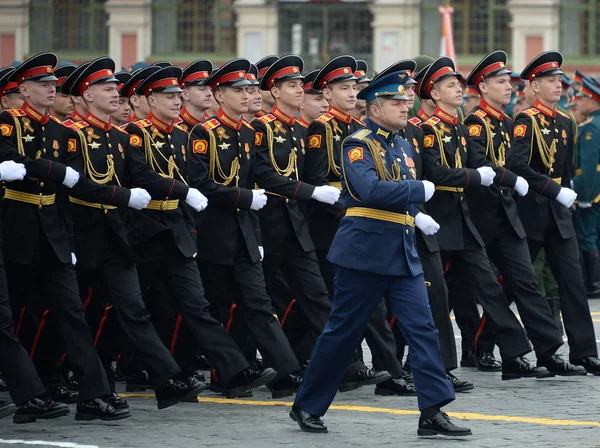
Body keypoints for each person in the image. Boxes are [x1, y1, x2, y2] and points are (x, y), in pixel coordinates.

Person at [290, 71, 471, 437]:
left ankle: (433, 410)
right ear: (374, 108)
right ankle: (307, 405)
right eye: (396, 102)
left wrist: (417, 214)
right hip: (365, 251)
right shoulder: (356, 144)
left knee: (423, 328)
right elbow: (368, 190)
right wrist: (417, 188)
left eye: (406, 101)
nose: (406, 106)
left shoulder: (402, 145)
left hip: (401, 250)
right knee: (342, 332)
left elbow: (399, 195)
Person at [124, 64, 278, 398]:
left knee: (195, 306)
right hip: (144, 231)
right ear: (150, 100)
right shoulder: (136, 134)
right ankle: (135, 368)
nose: (176, 101)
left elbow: (196, 180)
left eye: (178, 95)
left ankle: (230, 371)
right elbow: (142, 175)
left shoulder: (183, 135)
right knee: (141, 308)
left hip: (178, 231)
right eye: (168, 96)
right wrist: (183, 193)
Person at [63, 56, 208, 409]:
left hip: (116, 235)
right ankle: (59, 380)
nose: (116, 94)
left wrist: (180, 190)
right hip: (80, 235)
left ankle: (165, 379)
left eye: (116, 88)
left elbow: (142, 175)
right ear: (85, 93)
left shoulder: (119, 136)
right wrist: (126, 196)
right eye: (107, 88)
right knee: (75, 314)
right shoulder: (71, 134)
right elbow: (76, 186)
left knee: (132, 309)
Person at [0, 51, 130, 421]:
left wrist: (71, 240)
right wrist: (52, 170)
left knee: (71, 314)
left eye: (53, 84)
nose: (50, 89)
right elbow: (10, 163)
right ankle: (28, 390)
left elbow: (73, 187)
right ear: (23, 89)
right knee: (14, 317)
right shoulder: (8, 123)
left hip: (54, 231)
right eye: (42, 84)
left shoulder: (62, 132)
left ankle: (93, 395)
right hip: (16, 228)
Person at [254, 55, 386, 391]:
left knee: (316, 299)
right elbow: (267, 175)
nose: (300, 90)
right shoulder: (263, 128)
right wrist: (314, 193)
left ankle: (342, 365)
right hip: (269, 224)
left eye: (301, 85)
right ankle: (239, 366)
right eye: (293, 85)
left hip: (297, 227)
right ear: (275, 90)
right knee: (249, 301)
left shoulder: (300, 128)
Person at [419, 57, 551, 380]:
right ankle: (403, 362)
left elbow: (480, 163)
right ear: (435, 95)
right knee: (435, 297)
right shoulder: (429, 129)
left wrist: (487, 176)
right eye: (451, 86)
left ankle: (515, 352)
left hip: (463, 222)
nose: (458, 90)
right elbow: (438, 172)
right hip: (440, 220)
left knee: (487, 289)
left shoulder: (461, 129)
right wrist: (477, 177)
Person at [463, 51, 585, 376]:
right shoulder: (476, 123)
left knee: (528, 283)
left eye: (509, 81)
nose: (508, 87)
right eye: (501, 82)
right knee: (483, 288)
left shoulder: (509, 122)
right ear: (483, 88)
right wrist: (518, 182)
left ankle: (549, 352)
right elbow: (486, 166)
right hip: (486, 215)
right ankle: (486, 348)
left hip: (511, 213)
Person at [508, 51, 600, 374]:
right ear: (533, 85)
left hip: (559, 213)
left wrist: (567, 196)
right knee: (512, 284)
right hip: (531, 210)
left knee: (572, 281)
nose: (558, 86)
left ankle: (584, 352)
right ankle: (483, 344)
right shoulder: (525, 122)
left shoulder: (566, 121)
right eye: (550, 80)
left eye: (559, 80)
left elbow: (565, 169)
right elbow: (516, 166)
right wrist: (553, 190)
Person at [572, 77, 600, 297]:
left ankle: (594, 284)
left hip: (592, 192)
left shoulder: (591, 128)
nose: (579, 101)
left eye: (582, 98)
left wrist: (585, 196)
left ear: (593, 103)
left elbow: (589, 166)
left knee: (587, 236)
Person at [178, 59, 214, 132]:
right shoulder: (175, 128)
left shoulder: (213, 127)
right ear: (185, 94)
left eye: (210, 89)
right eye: (202, 89)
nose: (209, 93)